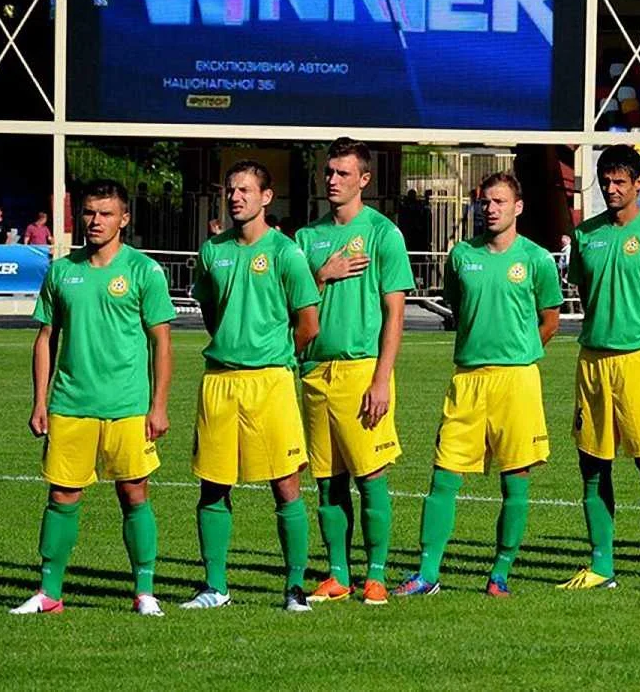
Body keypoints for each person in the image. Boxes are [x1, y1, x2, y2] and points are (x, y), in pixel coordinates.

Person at [395, 171, 562, 598]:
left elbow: (550, 320)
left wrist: (519, 350)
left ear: (518, 207)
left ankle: (499, 573)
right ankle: (427, 574)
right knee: (444, 476)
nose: (490, 208)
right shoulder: (461, 255)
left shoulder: (537, 259)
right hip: (467, 380)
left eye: (500, 201)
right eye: (485, 201)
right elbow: (457, 303)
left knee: (515, 480)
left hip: (517, 381)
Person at [11, 180, 175, 616]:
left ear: (124, 219)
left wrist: (158, 405)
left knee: (134, 494)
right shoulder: (62, 271)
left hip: (128, 406)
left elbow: (161, 342)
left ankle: (144, 592)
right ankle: (49, 593)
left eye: (106, 214)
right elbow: (45, 339)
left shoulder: (144, 271)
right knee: (61, 496)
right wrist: (40, 401)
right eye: (89, 212)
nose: (95, 221)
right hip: (70, 404)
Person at [182, 160, 321, 612]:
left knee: (285, 485)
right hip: (220, 381)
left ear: (266, 197)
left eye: (245, 190)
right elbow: (211, 313)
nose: (236, 197)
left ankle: (295, 588)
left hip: (271, 382)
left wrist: (273, 353)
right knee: (212, 485)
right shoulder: (212, 251)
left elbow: (308, 324)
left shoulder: (286, 252)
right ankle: (215, 587)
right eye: (231, 189)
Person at [557, 144, 640, 594]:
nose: (612, 189)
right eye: (606, 182)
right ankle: (601, 566)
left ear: (638, 184)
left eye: (620, 182)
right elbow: (585, 290)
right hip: (594, 361)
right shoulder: (586, 234)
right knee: (593, 464)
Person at [294, 138, 414, 606]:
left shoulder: (384, 234)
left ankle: (376, 574)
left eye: (343, 173)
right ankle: (338, 574)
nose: (332, 180)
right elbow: (292, 306)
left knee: (371, 476)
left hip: (362, 370)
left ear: (364, 179)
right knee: (327, 480)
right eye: (329, 172)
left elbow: (395, 313)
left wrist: (382, 379)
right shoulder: (307, 238)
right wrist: (322, 275)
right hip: (314, 371)